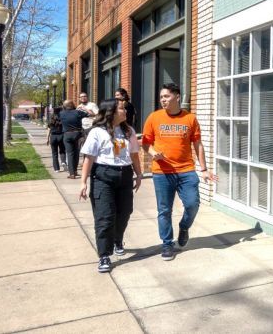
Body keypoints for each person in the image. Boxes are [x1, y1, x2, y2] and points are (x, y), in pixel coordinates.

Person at [142, 83, 214, 261]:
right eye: (161, 97)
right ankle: (167, 244)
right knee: (164, 210)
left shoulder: (190, 119)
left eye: (166, 96)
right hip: (162, 172)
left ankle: (184, 226)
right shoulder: (154, 117)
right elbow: (145, 143)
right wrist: (153, 154)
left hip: (186, 170)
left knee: (192, 204)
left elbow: (197, 144)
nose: (163, 100)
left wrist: (203, 169)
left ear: (177, 97)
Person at [78, 99, 142, 273]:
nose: (125, 111)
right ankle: (104, 255)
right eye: (122, 109)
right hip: (103, 177)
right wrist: (83, 182)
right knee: (105, 217)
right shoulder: (97, 132)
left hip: (125, 176)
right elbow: (89, 158)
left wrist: (139, 174)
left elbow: (135, 154)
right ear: (111, 112)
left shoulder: (129, 131)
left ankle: (117, 239)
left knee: (125, 212)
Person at [60, 100, 87, 179]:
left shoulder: (61, 113)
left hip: (67, 135)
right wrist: (84, 109)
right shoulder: (78, 112)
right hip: (77, 134)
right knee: (76, 153)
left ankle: (72, 173)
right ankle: (75, 171)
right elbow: (91, 114)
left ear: (64, 106)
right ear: (72, 105)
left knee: (70, 154)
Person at [46, 107, 67, 173]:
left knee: (54, 153)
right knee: (62, 151)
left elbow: (48, 130)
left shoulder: (51, 120)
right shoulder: (63, 119)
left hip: (53, 137)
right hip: (61, 136)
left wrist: (47, 139)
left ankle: (56, 169)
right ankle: (63, 161)